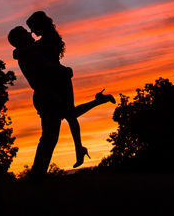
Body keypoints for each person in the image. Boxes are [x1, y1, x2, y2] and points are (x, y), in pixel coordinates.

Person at [8, 24, 113, 179]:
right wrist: (65, 71)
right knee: (49, 138)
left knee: (61, 125)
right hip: (48, 97)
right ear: (21, 39)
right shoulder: (31, 54)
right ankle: (36, 178)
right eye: (26, 33)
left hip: (47, 97)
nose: (30, 34)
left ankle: (37, 177)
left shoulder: (27, 53)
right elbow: (49, 66)